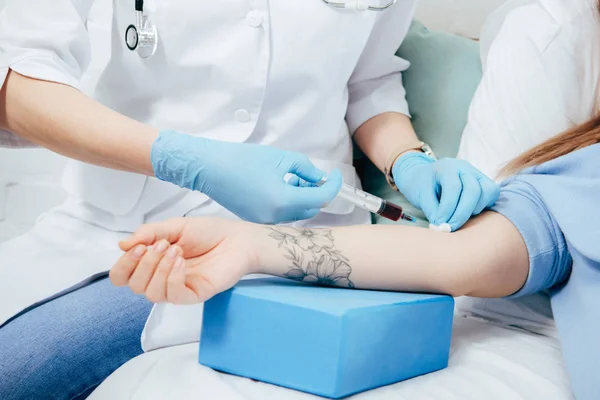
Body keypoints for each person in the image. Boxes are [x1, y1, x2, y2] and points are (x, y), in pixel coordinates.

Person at [0, 0, 498, 398]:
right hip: (129, 227)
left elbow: (367, 79)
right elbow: (16, 80)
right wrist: (177, 156)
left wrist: (408, 160)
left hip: (303, 240)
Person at [111, 115, 600, 400]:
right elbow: (462, 254)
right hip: (121, 214)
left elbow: (373, 80)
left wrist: (408, 158)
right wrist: (252, 244)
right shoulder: (585, 173)